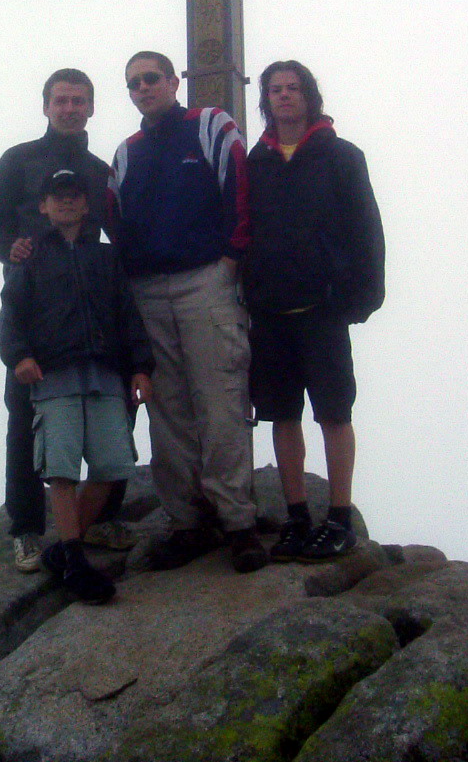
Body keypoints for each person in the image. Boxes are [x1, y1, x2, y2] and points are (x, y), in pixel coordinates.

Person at [108, 51, 268, 574]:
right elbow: (113, 218)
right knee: (168, 412)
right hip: (148, 292)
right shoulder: (126, 153)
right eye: (134, 83)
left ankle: (238, 521)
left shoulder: (209, 124)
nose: (143, 88)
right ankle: (187, 522)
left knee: (221, 400)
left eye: (151, 78)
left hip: (206, 281)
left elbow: (240, 188)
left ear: (174, 81)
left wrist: (231, 260)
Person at [0, 68, 132, 573]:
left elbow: (122, 231)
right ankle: (26, 528)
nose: (69, 109)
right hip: (35, 306)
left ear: (91, 108)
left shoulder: (101, 171)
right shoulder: (19, 160)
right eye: (61, 100)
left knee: (113, 408)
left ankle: (101, 518)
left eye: (78, 101)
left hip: (94, 307)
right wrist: (11, 249)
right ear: (46, 106)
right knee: (26, 418)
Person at [242, 60, 385, 561]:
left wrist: (361, 298)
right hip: (270, 312)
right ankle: (298, 516)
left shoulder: (342, 156)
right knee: (282, 414)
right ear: (266, 99)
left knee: (334, 413)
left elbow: (366, 230)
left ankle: (339, 518)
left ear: (309, 96)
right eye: (275, 90)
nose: (284, 96)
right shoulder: (256, 162)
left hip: (323, 310)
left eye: (293, 88)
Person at [0, 169, 154, 604]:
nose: (66, 202)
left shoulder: (106, 258)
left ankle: (64, 550)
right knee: (61, 469)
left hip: (105, 373)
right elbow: (11, 311)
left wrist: (141, 367)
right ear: (44, 206)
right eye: (57, 196)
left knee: (112, 465)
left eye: (74, 195)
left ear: (86, 205)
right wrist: (19, 356)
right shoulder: (30, 257)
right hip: (55, 374)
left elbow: (128, 314)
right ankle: (75, 558)